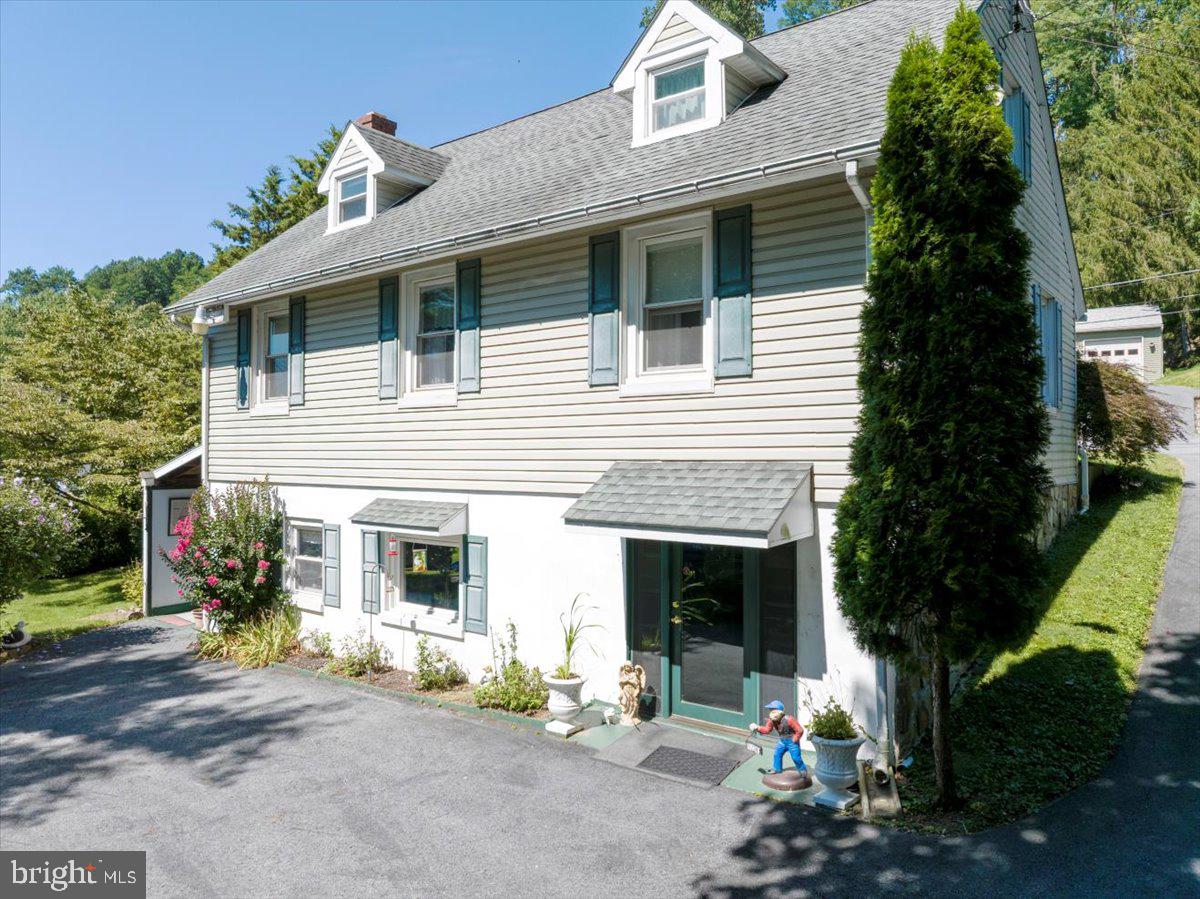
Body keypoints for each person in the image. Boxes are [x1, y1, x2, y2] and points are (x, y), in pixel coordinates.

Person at [749, 700, 807, 775]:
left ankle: (802, 771)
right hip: (782, 741)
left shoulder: (789, 719)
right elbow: (767, 730)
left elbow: (800, 730)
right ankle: (777, 770)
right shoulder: (772, 720)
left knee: (796, 757)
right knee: (777, 754)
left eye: (772, 710)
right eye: (770, 710)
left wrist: (795, 739)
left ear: (778, 711)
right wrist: (757, 728)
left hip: (792, 742)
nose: (770, 712)